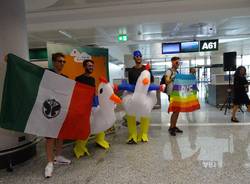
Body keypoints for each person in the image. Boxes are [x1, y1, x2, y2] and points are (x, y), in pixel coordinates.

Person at [73, 59, 110, 159]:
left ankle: (100, 140)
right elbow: (77, 93)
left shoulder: (92, 79)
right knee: (85, 126)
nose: (91, 67)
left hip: (93, 104)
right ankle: (79, 148)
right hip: (83, 106)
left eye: (92, 66)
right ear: (84, 66)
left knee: (99, 121)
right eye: (89, 66)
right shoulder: (78, 78)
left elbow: (93, 93)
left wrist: (97, 103)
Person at [45, 53, 71, 178]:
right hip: (50, 108)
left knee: (61, 134)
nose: (62, 63)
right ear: (54, 62)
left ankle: (58, 155)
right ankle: (49, 162)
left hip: (61, 109)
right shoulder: (48, 74)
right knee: (50, 137)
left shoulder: (66, 77)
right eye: (60, 61)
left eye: (63, 62)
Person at [126, 50, 154, 144]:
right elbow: (130, 83)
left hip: (145, 94)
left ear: (141, 57)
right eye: (136, 56)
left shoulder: (146, 70)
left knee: (145, 113)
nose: (138, 57)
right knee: (131, 114)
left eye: (140, 56)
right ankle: (133, 135)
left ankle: (143, 134)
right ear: (134, 58)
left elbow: (151, 81)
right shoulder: (131, 71)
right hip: (134, 94)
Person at [165, 57, 183, 136]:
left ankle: (174, 126)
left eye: (178, 63)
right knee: (175, 110)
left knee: (177, 110)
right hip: (171, 93)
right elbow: (167, 81)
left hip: (177, 93)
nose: (178, 64)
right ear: (172, 62)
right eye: (176, 62)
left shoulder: (177, 72)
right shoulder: (169, 71)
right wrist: (173, 77)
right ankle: (171, 127)